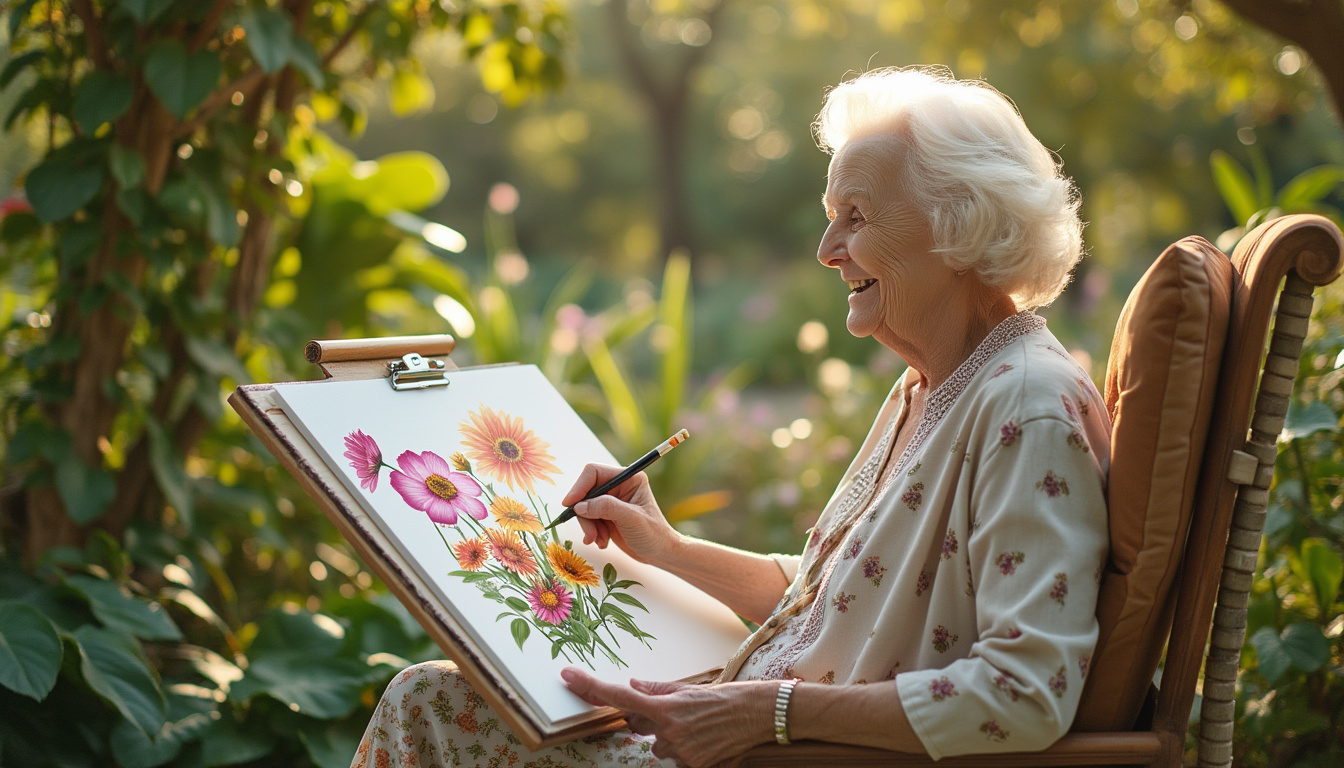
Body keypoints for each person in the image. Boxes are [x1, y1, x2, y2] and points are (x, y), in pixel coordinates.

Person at [352, 66, 1109, 768]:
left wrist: (760, 713)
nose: (826, 250)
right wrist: (669, 549)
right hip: (762, 738)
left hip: (789, 756)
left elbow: (1024, 692)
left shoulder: (1026, 406)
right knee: (443, 693)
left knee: (427, 704)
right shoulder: (936, 385)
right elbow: (834, 600)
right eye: (830, 217)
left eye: (856, 217)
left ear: (960, 223)